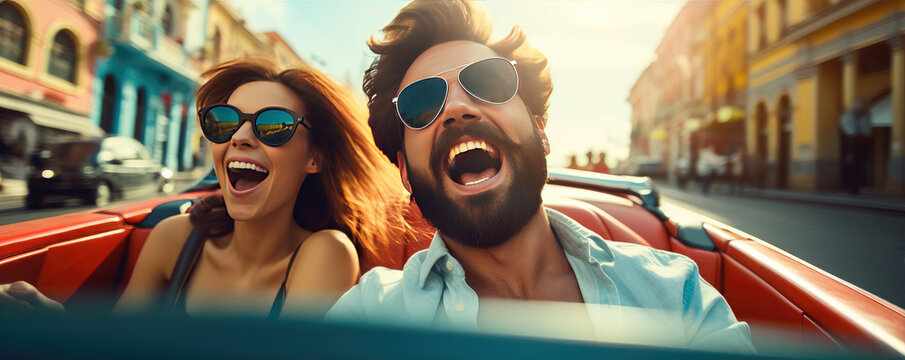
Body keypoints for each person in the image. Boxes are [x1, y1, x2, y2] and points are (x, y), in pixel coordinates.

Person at [326, 1, 755, 352]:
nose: (456, 108)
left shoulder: (675, 293)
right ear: (404, 171)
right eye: (421, 104)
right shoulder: (368, 318)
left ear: (541, 132)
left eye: (488, 82)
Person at [0, 59, 412, 319]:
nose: (240, 136)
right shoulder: (173, 239)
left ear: (314, 159)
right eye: (224, 121)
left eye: (273, 125)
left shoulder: (325, 253)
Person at [840, 97, 871, 195]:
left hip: (862, 142)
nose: (860, 105)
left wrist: (865, 135)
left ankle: (855, 187)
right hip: (851, 142)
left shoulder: (866, 115)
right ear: (854, 104)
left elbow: (867, 129)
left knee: (859, 166)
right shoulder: (848, 115)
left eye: (861, 103)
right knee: (850, 166)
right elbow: (848, 130)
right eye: (858, 103)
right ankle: (850, 188)